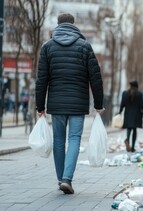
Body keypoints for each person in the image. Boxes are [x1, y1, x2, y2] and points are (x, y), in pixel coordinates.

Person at [36, 13, 104, 194]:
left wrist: (39, 106)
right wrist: (99, 104)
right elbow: (95, 78)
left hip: (56, 103)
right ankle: (67, 179)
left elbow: (41, 79)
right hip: (78, 103)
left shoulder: (47, 47)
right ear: (73, 25)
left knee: (59, 140)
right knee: (74, 139)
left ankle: (61, 179)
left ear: (58, 25)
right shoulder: (84, 46)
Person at [119, 80, 143, 153]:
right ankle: (132, 147)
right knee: (134, 130)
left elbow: (122, 104)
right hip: (137, 114)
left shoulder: (125, 93)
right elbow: (142, 105)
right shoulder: (139, 94)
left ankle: (127, 141)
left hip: (127, 114)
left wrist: (120, 112)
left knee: (129, 128)